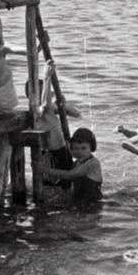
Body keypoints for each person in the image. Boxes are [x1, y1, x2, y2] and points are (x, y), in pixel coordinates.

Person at [32, 60, 81, 188]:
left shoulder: (50, 109)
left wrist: (62, 105)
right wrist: (47, 77)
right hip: (50, 154)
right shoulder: (39, 111)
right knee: (54, 187)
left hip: (62, 150)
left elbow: (76, 114)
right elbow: (45, 104)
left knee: (66, 186)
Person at [36, 127, 102, 202]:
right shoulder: (77, 163)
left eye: (83, 148)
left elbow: (70, 175)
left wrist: (45, 170)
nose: (79, 152)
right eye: (76, 148)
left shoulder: (93, 163)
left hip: (92, 203)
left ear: (92, 148)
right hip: (80, 200)